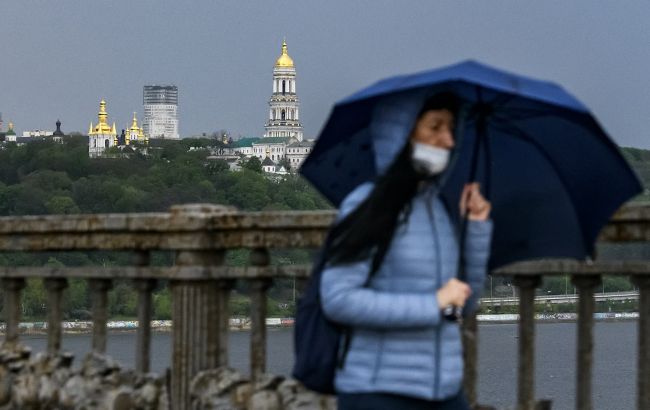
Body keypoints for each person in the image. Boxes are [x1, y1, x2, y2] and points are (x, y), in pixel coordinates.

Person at [319, 92, 493, 410]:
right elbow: (338, 299)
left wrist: (476, 230)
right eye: (435, 127)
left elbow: (461, 306)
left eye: (451, 128)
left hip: (445, 390)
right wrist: (433, 304)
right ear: (402, 134)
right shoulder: (369, 204)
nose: (448, 140)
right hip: (381, 391)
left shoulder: (439, 210)